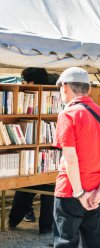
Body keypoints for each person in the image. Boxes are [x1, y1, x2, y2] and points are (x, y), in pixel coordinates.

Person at [53, 67, 100, 248]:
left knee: (66, 242)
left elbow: (70, 159)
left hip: (70, 191)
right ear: (88, 89)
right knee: (94, 242)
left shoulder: (68, 114)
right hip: (97, 191)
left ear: (65, 87)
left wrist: (79, 193)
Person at [8, 67, 55, 234]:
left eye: (24, 81)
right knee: (49, 191)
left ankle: (13, 221)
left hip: (28, 154)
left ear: (31, 82)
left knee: (24, 190)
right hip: (50, 155)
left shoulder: (25, 96)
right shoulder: (53, 95)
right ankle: (46, 227)